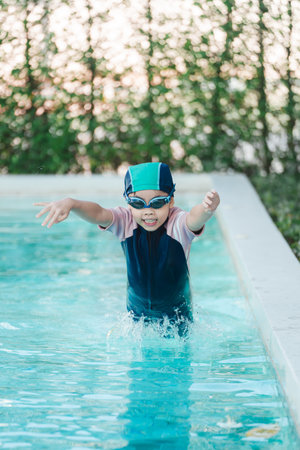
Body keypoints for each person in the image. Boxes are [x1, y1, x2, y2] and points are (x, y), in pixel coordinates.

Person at [35, 162, 220, 335]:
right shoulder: (125, 222)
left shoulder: (177, 224)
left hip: (179, 319)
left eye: (157, 203)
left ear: (171, 201)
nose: (148, 211)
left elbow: (193, 218)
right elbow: (99, 213)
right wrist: (72, 203)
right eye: (138, 203)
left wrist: (206, 209)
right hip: (136, 317)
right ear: (127, 202)